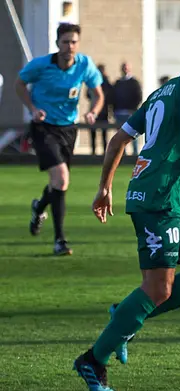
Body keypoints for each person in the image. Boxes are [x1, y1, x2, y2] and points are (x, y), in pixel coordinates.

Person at [72, 32, 180, 391]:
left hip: (174, 198)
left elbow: (119, 140)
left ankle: (125, 314)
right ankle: (93, 359)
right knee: (159, 289)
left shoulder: (163, 92)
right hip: (154, 200)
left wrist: (105, 186)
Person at [15, 23, 104, 256]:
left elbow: (99, 94)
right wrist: (33, 108)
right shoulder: (41, 65)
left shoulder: (84, 64)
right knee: (62, 178)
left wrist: (93, 110)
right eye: (65, 42)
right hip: (43, 127)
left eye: (74, 41)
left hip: (68, 129)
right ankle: (60, 240)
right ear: (57, 44)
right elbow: (19, 83)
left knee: (59, 182)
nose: (70, 46)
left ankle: (39, 206)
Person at [112, 62, 143, 155]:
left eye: (126, 68)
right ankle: (122, 154)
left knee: (133, 135)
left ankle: (135, 154)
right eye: (123, 68)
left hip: (130, 113)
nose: (125, 69)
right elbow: (113, 97)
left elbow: (138, 96)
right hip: (119, 113)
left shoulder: (134, 82)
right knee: (121, 136)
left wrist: (133, 109)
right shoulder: (118, 83)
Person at [88, 64, 112, 155]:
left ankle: (103, 152)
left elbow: (109, 96)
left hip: (103, 111)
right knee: (94, 133)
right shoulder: (93, 82)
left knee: (103, 133)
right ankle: (94, 152)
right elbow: (87, 95)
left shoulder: (106, 83)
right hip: (94, 110)